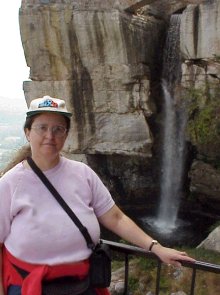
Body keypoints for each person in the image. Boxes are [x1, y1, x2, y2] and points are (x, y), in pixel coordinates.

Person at [0, 95, 195, 295]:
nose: (50, 135)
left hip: (82, 284)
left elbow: (116, 218)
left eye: (58, 129)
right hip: (29, 285)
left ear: (66, 135)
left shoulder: (83, 174)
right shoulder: (10, 184)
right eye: (42, 127)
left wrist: (156, 247)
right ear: (27, 132)